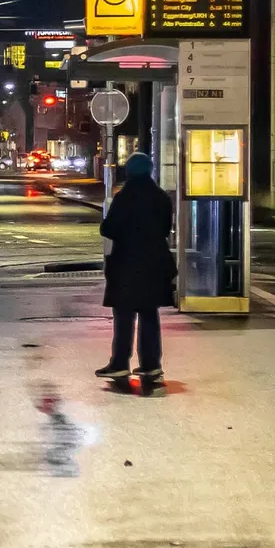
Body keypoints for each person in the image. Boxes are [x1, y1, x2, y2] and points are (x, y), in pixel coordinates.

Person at [97, 151, 176, 393]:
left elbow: (108, 229)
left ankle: (120, 363)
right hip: (155, 263)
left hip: (127, 264)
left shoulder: (125, 197)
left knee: (124, 315)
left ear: (129, 171)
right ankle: (152, 366)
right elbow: (165, 229)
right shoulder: (161, 197)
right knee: (150, 315)